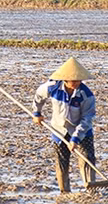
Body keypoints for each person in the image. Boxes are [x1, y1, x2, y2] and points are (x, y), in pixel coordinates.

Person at [32, 57, 97, 193]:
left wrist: (75, 139)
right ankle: (64, 191)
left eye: (79, 80)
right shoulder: (52, 87)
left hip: (82, 131)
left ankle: (90, 189)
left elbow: (87, 119)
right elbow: (39, 95)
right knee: (62, 161)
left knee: (87, 160)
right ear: (65, 80)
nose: (77, 83)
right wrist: (37, 113)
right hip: (59, 129)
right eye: (74, 81)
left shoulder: (86, 95)